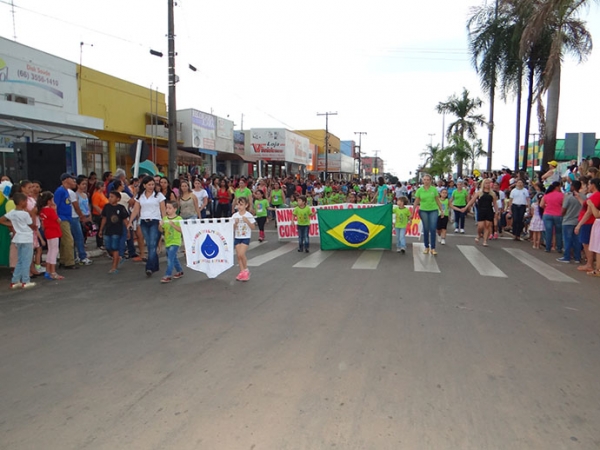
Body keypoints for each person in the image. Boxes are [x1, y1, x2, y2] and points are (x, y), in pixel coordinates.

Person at [129, 176, 166, 277]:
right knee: (150, 244)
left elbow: (163, 210)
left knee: (152, 244)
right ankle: (155, 265)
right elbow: (136, 209)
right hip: (144, 222)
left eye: (153, 184)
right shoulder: (140, 196)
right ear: (144, 185)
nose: (151, 186)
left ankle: (149, 267)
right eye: (149, 185)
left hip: (155, 221)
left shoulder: (159, 195)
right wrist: (130, 221)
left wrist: (164, 221)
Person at [0, 193, 36, 288]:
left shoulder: (12, 212)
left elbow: (2, 220)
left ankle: (15, 280)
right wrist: (32, 215)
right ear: (21, 202)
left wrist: (12, 224)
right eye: (25, 201)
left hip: (18, 238)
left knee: (20, 260)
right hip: (26, 238)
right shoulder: (25, 214)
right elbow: (31, 225)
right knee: (26, 260)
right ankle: (25, 280)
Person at [99, 191, 130, 274]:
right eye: (109, 196)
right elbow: (104, 218)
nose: (110, 198)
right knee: (108, 247)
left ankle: (114, 267)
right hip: (108, 230)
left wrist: (128, 231)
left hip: (117, 231)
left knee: (115, 247)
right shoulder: (106, 207)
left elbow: (125, 220)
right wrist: (101, 229)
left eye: (112, 197)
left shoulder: (121, 208)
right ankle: (118, 258)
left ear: (118, 199)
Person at [414, 174, 444, 255]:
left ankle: (433, 248)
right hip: (423, 210)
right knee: (426, 229)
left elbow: (437, 200)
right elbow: (416, 201)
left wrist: (442, 210)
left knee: (433, 228)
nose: (426, 181)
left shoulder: (434, 190)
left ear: (431, 181)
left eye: (428, 180)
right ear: (422, 180)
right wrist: (413, 211)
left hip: (433, 210)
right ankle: (426, 246)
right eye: (425, 179)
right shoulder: (419, 190)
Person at [575, 178, 600, 273]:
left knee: (586, 243)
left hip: (588, 222)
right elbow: (586, 206)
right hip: (589, 222)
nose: (588, 187)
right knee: (587, 243)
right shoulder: (594, 196)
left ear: (593, 185)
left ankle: (590, 264)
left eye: (589, 184)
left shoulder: (595, 196)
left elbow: (589, 212)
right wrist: (579, 198)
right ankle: (590, 263)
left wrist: (579, 224)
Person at [38, 191, 64, 280]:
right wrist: (55, 209)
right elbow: (58, 220)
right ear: (49, 201)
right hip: (54, 232)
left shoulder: (42, 210)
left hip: (48, 232)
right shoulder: (50, 210)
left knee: (50, 251)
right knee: (54, 251)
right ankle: (53, 271)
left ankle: (48, 271)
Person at [54, 173, 78, 269]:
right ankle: (69, 262)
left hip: (67, 217)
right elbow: (55, 205)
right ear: (66, 179)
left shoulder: (66, 191)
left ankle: (63, 260)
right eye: (72, 179)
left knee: (64, 241)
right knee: (69, 240)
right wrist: (57, 218)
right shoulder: (60, 191)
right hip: (62, 218)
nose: (73, 181)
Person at [464, 179, 497, 247]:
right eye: (486, 183)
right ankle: (479, 234)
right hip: (481, 210)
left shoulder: (492, 193)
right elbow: (472, 200)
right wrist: (466, 207)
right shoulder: (479, 192)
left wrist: (497, 212)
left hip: (489, 210)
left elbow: (495, 204)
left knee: (487, 226)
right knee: (480, 226)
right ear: (483, 184)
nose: (487, 185)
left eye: (488, 183)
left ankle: (485, 240)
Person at [69, 176, 93, 265]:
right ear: (78, 185)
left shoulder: (85, 195)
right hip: (79, 217)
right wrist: (81, 216)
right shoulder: (75, 195)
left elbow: (87, 205)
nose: (84, 186)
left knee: (83, 237)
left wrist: (89, 215)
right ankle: (80, 256)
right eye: (82, 184)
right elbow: (76, 207)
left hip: (86, 215)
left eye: (85, 184)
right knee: (78, 237)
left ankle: (80, 255)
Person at [557, 180, 582, 263]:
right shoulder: (583, 197)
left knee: (567, 239)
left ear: (573, 187)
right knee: (577, 240)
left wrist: (562, 215)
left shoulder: (569, 197)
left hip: (568, 220)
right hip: (578, 221)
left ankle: (567, 256)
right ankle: (577, 257)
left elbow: (563, 209)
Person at [159, 201, 184, 283]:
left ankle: (168, 275)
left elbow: (181, 230)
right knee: (173, 257)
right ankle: (179, 270)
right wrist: (160, 225)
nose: (167, 210)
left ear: (175, 209)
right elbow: (160, 230)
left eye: (170, 208)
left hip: (175, 241)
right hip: (168, 241)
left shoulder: (179, 219)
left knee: (170, 258)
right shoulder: (165, 218)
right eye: (167, 208)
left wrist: (173, 225)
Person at [232, 197, 255, 281]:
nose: (239, 206)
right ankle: (242, 272)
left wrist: (247, 221)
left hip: (245, 237)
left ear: (246, 205)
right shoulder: (235, 215)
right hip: (237, 237)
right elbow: (232, 228)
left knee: (241, 254)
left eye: (241, 205)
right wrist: (235, 223)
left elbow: (253, 227)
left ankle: (246, 270)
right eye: (238, 204)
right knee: (238, 256)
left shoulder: (249, 215)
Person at [540, 182, 564, 253]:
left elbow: (541, 205)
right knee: (558, 232)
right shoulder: (562, 195)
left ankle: (548, 247)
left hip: (547, 214)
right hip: (558, 214)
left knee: (548, 232)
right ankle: (559, 247)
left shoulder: (546, 195)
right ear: (557, 187)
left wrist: (547, 207)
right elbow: (564, 205)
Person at [91, 180, 109, 249]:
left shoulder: (101, 194)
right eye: (103, 186)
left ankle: (101, 242)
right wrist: (102, 213)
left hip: (102, 213)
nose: (105, 187)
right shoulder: (96, 195)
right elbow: (95, 205)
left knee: (102, 228)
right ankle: (99, 244)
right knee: (99, 229)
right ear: (100, 187)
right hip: (98, 214)